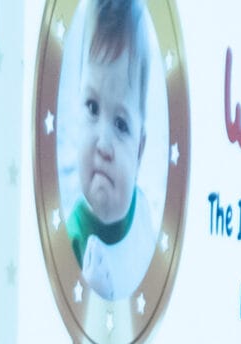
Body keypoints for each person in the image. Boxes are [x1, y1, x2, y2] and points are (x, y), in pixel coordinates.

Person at [65, 0, 153, 305]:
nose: (103, 145)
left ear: (140, 152)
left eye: (120, 124)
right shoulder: (73, 238)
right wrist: (92, 296)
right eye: (92, 107)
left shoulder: (144, 216)